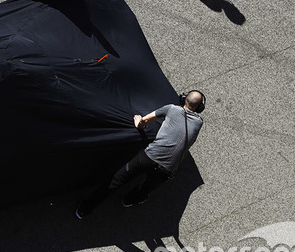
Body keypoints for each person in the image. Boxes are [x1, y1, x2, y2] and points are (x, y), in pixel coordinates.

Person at [74, 90, 206, 219]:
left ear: (183, 99)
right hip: (166, 169)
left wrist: (139, 123)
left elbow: (143, 122)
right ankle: (130, 200)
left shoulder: (171, 109)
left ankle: (85, 209)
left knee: (116, 181)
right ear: (199, 108)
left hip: (148, 157)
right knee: (146, 189)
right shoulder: (199, 122)